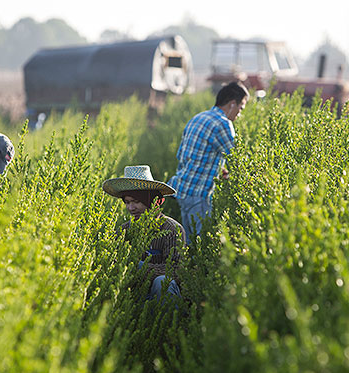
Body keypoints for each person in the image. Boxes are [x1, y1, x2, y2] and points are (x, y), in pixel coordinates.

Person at [168, 81, 249, 243]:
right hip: (199, 195)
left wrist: (219, 170)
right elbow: (238, 160)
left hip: (182, 189)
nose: (239, 115)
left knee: (189, 246)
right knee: (202, 246)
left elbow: (185, 155)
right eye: (240, 109)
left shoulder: (198, 118)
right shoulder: (223, 124)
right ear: (232, 104)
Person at [103, 165, 185, 301]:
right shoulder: (124, 230)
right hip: (133, 291)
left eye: (136, 201)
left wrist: (140, 268)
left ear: (151, 201)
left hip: (161, 294)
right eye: (127, 202)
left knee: (162, 282)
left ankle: (167, 321)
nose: (131, 208)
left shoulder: (171, 229)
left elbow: (177, 269)